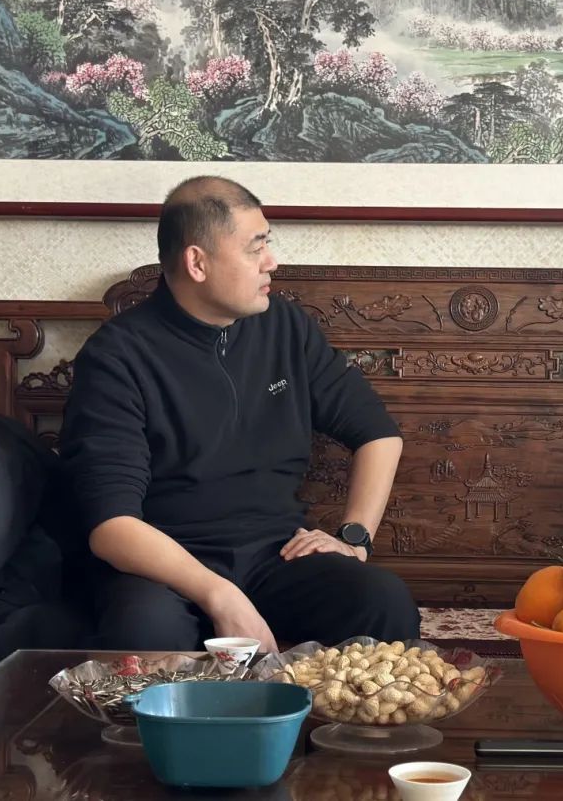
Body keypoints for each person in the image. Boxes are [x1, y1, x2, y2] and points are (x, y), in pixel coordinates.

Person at [60, 176, 419, 653]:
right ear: (197, 263)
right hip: (166, 565)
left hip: (277, 554)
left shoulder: (284, 327)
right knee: (145, 632)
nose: (272, 261)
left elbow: (378, 434)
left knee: (382, 600)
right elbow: (111, 527)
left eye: (267, 243)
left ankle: (320, 710)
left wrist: (354, 539)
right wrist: (220, 594)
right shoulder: (117, 356)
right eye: (255, 248)